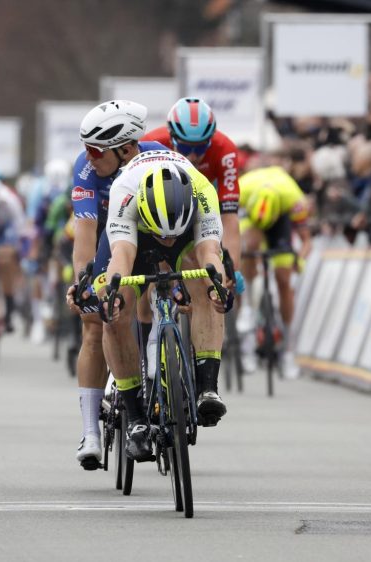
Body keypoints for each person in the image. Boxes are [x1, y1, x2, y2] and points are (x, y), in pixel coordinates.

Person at [95, 151, 230, 461]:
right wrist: (113, 296)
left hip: (188, 237)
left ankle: (208, 388)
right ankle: (136, 418)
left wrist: (217, 288)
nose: (166, 241)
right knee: (115, 313)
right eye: (163, 236)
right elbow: (122, 256)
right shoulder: (125, 193)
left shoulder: (203, 191)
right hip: (137, 237)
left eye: (171, 236)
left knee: (208, 286)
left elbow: (210, 254)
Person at [65, 100, 167, 470]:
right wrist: (83, 282)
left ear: (124, 148)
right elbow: (86, 235)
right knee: (95, 320)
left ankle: (161, 357)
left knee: (164, 289)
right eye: (86, 149)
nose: (89, 157)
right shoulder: (85, 170)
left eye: (96, 150)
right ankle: (90, 432)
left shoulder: (157, 157)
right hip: (112, 236)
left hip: (153, 233)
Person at [142, 97, 242, 267]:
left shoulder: (225, 150)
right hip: (160, 205)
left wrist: (233, 268)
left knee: (202, 261)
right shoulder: (150, 144)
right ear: (171, 139)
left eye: (201, 147)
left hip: (199, 202)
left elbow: (229, 217)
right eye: (185, 148)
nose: (192, 156)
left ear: (210, 140)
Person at [235, 166, 313, 378]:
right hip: (251, 217)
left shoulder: (294, 198)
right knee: (248, 247)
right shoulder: (242, 189)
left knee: (283, 280)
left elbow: (307, 241)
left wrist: (299, 261)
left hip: (280, 221)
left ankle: (288, 350)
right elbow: (226, 227)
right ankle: (247, 305)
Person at [0, 173, 26, 331]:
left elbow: (19, 227)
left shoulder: (9, 202)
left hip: (4, 231)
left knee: (6, 260)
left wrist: (16, 250)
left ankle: (9, 310)